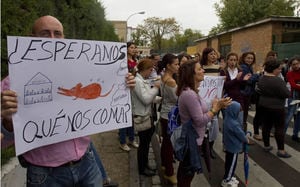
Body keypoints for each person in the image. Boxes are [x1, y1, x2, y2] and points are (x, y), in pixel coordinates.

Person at [1, 15, 136, 187]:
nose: (52, 39)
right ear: (32, 38)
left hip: (87, 161)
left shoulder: (80, 70)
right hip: (46, 174)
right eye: (45, 33)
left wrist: (123, 85)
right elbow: (3, 141)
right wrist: (7, 120)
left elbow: (102, 92)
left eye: (57, 33)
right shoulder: (11, 84)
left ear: (64, 38)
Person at [176, 60, 231, 187]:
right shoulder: (189, 94)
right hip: (192, 141)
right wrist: (216, 108)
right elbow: (200, 121)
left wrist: (214, 104)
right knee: (187, 174)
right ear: (192, 74)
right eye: (200, 69)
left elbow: (198, 111)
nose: (203, 71)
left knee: (185, 172)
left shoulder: (191, 91)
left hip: (193, 138)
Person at [256, 57, 291, 158]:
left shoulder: (262, 78)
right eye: (279, 69)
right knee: (279, 128)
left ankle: (266, 146)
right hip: (277, 107)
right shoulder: (278, 80)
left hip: (264, 105)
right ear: (274, 69)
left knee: (266, 126)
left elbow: (259, 90)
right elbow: (286, 94)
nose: (280, 70)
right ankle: (281, 150)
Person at [131, 58, 160, 176]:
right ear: (145, 69)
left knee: (146, 144)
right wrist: (156, 88)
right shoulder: (138, 81)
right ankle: (142, 169)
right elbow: (146, 99)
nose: (151, 72)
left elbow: (149, 96)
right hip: (142, 117)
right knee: (143, 145)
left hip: (146, 116)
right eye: (150, 69)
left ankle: (145, 165)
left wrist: (160, 99)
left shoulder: (142, 80)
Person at [159, 53, 179, 184]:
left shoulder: (164, 77)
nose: (178, 66)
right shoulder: (170, 81)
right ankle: (169, 172)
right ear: (168, 66)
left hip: (166, 114)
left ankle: (165, 164)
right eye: (176, 64)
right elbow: (177, 99)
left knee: (166, 143)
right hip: (170, 115)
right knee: (169, 144)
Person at [200, 47, 221, 158]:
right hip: (203, 99)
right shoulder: (201, 68)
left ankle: (210, 147)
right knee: (203, 124)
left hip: (214, 100)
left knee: (213, 124)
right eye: (211, 54)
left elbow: (220, 84)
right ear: (205, 55)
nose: (213, 56)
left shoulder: (219, 68)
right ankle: (202, 148)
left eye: (214, 54)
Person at [221, 101, 248, 187]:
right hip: (234, 147)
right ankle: (227, 180)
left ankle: (229, 176)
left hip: (229, 146)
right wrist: (246, 139)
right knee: (232, 164)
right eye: (239, 110)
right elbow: (241, 135)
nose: (240, 112)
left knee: (228, 163)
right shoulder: (234, 124)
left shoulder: (227, 119)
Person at [118, 42, 139, 152]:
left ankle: (131, 139)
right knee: (123, 116)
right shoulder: (123, 61)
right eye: (131, 47)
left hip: (132, 91)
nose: (133, 49)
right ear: (126, 49)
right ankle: (122, 141)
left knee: (131, 116)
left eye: (134, 47)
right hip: (123, 91)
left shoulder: (135, 61)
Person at [239, 52, 260, 137]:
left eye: (251, 58)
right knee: (243, 115)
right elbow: (248, 80)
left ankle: (243, 135)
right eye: (248, 58)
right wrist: (257, 75)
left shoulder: (249, 67)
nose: (250, 60)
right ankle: (242, 136)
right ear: (244, 58)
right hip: (244, 93)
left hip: (247, 93)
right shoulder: (244, 67)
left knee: (244, 115)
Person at [284, 55, 300, 142]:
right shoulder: (289, 73)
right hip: (293, 97)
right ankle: (282, 134)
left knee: (299, 118)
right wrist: (297, 85)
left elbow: (295, 85)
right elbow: (293, 85)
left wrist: (298, 85)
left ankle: (295, 134)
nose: (296, 66)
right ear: (291, 65)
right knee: (288, 117)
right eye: (293, 64)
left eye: (297, 63)